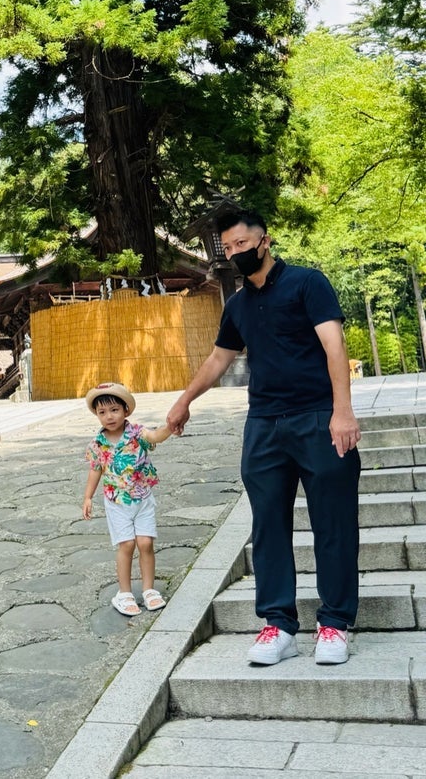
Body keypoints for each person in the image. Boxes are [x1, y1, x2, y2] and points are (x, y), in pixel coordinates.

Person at [166, 209, 361, 666]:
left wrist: (342, 411)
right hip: (264, 424)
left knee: (333, 523)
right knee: (267, 526)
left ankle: (334, 623)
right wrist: (185, 400)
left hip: (318, 417)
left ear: (264, 242)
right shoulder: (237, 305)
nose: (235, 253)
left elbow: (334, 345)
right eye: (228, 248)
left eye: (241, 244)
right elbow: (219, 359)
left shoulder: (307, 283)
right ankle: (279, 624)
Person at [82, 381, 173, 616]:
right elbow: (95, 470)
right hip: (117, 502)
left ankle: (149, 590)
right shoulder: (98, 444)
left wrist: (170, 426)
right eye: (102, 412)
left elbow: (156, 436)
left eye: (114, 410)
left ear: (126, 410)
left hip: (142, 498)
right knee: (127, 544)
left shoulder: (137, 434)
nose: (109, 416)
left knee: (145, 543)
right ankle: (124, 593)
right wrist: (88, 497)